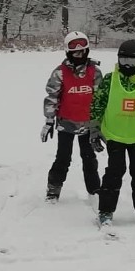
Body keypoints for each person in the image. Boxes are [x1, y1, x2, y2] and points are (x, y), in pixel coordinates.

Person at [88, 39, 135, 226]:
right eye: (124, 60)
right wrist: (94, 128)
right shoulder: (109, 80)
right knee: (114, 171)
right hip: (115, 135)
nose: (127, 65)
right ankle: (106, 211)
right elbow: (98, 104)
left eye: (132, 61)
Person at [41, 30, 102, 202]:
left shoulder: (94, 72)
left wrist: (100, 124)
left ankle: (94, 189)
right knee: (63, 158)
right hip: (66, 123)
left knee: (89, 158)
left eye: (82, 52)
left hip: (88, 124)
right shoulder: (60, 73)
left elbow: (100, 99)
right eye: (75, 53)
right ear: (68, 53)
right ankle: (53, 189)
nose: (79, 56)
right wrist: (49, 121)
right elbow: (52, 97)